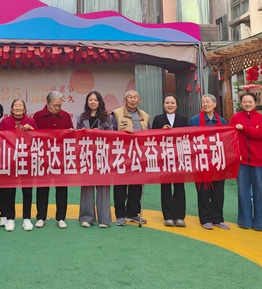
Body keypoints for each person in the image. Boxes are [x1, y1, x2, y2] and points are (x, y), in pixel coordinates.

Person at [33, 91, 73, 229]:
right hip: (43, 158)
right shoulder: (38, 116)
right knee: (42, 188)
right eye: (55, 106)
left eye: (59, 106)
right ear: (47, 103)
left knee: (62, 188)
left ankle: (61, 218)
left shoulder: (65, 116)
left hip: (60, 157)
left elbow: (70, 134)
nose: (57, 108)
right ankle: (41, 217)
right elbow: (33, 136)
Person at [189, 94, 230, 230]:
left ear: (214, 104)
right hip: (201, 160)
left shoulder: (222, 121)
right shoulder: (194, 120)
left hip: (218, 160)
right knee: (203, 191)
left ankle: (218, 219)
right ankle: (205, 219)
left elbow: (226, 140)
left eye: (208, 102)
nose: (205, 104)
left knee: (218, 191)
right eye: (203, 102)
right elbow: (190, 140)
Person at [231, 92, 262, 231]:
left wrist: (244, 128)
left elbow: (261, 134)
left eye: (250, 101)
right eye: (244, 101)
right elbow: (230, 136)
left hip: (258, 160)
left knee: (260, 192)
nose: (247, 104)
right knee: (243, 191)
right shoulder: (235, 117)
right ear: (241, 103)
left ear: (255, 103)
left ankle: (261, 223)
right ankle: (244, 221)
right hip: (241, 161)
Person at [75, 90, 114, 228]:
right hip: (86, 155)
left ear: (100, 102)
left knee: (103, 186)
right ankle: (87, 218)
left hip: (102, 155)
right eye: (90, 100)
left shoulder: (107, 118)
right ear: (87, 102)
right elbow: (77, 135)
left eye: (95, 100)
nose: (93, 102)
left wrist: (101, 133)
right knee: (87, 186)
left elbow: (111, 134)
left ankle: (104, 219)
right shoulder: (81, 117)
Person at [111, 89, 149, 226]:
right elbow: (110, 133)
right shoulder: (116, 114)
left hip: (139, 155)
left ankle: (132, 213)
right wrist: (123, 132)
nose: (133, 100)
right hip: (121, 154)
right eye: (130, 97)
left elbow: (150, 135)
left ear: (139, 100)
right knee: (120, 186)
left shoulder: (145, 115)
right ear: (125, 99)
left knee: (136, 186)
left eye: (135, 97)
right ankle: (120, 214)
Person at [151, 93, 190, 227]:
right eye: (167, 103)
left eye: (172, 103)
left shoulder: (183, 119)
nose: (170, 105)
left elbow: (188, 137)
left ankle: (179, 216)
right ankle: (168, 216)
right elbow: (152, 138)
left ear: (177, 105)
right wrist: (161, 131)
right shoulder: (158, 119)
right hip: (164, 157)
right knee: (165, 187)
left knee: (179, 187)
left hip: (179, 157)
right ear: (163, 105)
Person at [0, 99, 37, 232]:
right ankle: (10, 218)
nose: (18, 108)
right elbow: (0, 138)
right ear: (11, 108)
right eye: (15, 105)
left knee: (27, 191)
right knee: (9, 191)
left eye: (21, 105)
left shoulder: (31, 121)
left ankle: (27, 218)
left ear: (25, 108)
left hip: (26, 160)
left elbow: (38, 137)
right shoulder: (5, 121)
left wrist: (31, 130)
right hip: (11, 160)